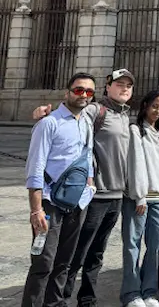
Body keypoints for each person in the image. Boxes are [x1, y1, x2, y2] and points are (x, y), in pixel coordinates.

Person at [22, 73, 96, 307]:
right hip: (49, 203)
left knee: (65, 262)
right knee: (43, 263)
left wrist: (89, 185)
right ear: (67, 92)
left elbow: (88, 157)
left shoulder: (86, 122)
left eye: (89, 92)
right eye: (79, 90)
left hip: (77, 202)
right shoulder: (49, 123)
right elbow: (35, 168)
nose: (83, 95)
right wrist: (36, 210)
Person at [65, 68, 135, 307]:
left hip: (117, 195)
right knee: (79, 250)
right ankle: (61, 298)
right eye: (119, 84)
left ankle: (87, 299)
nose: (124, 88)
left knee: (97, 252)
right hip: (96, 195)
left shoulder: (125, 115)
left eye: (128, 85)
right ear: (108, 87)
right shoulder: (96, 110)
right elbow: (72, 118)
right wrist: (47, 114)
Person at [122, 90, 159, 307]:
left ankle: (149, 290)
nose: (158, 111)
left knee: (157, 244)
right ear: (145, 106)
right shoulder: (136, 130)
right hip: (138, 198)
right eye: (155, 106)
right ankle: (131, 293)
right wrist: (139, 195)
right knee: (132, 245)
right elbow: (136, 162)